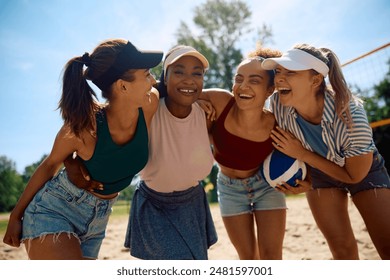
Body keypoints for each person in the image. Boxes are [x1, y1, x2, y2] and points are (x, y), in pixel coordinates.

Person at [2, 39, 163, 259]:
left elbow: (172, 90)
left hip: (98, 222)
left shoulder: (149, 104)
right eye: (146, 74)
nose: (153, 81)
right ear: (123, 86)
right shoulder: (85, 128)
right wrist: (15, 217)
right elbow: (50, 165)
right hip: (55, 211)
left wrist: (207, 98)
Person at [262, 43, 390, 259]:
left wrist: (302, 154)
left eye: (290, 72)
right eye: (278, 71)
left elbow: (354, 175)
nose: (279, 78)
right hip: (320, 171)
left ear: (315, 80)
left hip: (363, 170)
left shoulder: (351, 115)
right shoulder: (277, 104)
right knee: (341, 248)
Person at [198, 47, 301, 259]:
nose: (243, 86)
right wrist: (197, 101)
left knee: (272, 256)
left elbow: (303, 152)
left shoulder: (277, 123)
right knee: (247, 258)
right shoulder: (220, 101)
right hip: (229, 188)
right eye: (239, 78)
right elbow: (179, 94)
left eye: (254, 80)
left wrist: (308, 181)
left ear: (269, 89)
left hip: (266, 186)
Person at [123, 45, 218, 260]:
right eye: (179, 72)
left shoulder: (205, 115)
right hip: (154, 205)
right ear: (165, 78)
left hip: (193, 204)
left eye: (197, 73)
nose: (189, 79)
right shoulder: (150, 109)